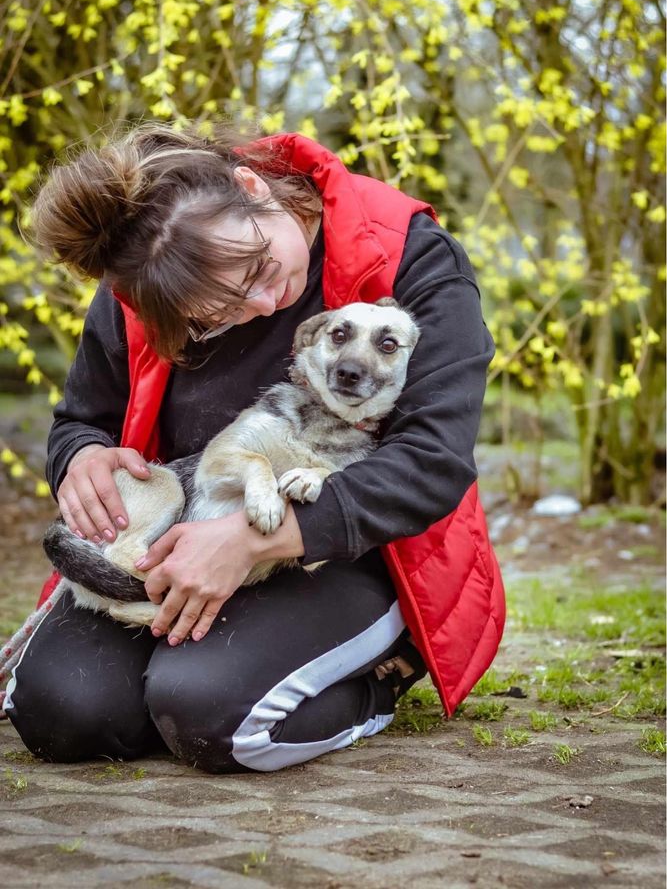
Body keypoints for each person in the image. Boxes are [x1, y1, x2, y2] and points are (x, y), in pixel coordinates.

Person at [3, 123, 504, 773]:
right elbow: (80, 421)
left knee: (208, 715)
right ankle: (181, 677)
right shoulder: (145, 271)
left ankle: (376, 679)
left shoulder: (409, 252)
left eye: (260, 266)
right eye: (217, 313)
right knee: (61, 713)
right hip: (182, 525)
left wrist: (254, 540)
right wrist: (81, 459)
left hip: (341, 550)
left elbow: (432, 462)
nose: (270, 303)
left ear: (250, 189)